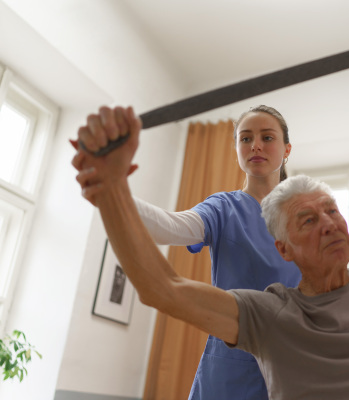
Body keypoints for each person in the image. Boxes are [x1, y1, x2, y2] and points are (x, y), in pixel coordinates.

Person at [72, 9, 349, 399]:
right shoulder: (270, 313)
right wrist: (111, 190)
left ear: (287, 149)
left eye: (333, 210)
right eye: (307, 220)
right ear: (281, 245)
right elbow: (164, 284)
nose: (328, 223)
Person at [72, 105, 302, 399]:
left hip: (292, 367)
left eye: (267, 137)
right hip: (228, 371)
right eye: (245, 138)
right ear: (236, 150)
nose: (255, 144)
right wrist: (113, 189)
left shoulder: (305, 217)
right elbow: (169, 226)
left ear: (286, 150)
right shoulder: (223, 208)